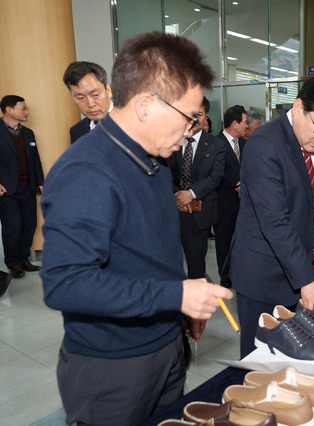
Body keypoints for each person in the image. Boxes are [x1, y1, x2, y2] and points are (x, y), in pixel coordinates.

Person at [40, 32, 233, 426]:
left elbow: (149, 249)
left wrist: (178, 303)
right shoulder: (87, 171)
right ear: (147, 105)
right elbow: (66, 284)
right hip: (113, 367)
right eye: (188, 117)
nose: (191, 129)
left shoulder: (156, 160)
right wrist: (174, 294)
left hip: (165, 345)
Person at [226, 74, 314, 357]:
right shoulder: (264, 144)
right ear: (298, 107)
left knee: (294, 358)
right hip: (264, 274)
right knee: (260, 360)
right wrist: (307, 278)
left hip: (300, 266)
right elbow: (275, 221)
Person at [166, 97, 225, 279]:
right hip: (171, 211)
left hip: (198, 215)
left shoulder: (216, 145)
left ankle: (195, 304)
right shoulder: (170, 139)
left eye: (198, 115)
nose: (192, 119)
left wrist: (190, 194)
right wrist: (178, 195)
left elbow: (215, 177)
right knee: (168, 265)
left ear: (205, 116)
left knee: (196, 266)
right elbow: (163, 170)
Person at [0, 95, 44, 280]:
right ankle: (14, 263)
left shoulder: (28, 133)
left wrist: (40, 182)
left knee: (29, 224)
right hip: (7, 189)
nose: (27, 112)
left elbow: (35, 160)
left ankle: (24, 259)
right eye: (23, 108)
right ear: (9, 109)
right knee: (13, 226)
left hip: (28, 187)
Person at [214, 104, 248, 287]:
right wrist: (236, 184)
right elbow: (215, 172)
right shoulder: (215, 143)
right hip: (224, 201)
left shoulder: (245, 143)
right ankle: (225, 275)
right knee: (224, 239)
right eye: (243, 122)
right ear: (234, 123)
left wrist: (246, 183)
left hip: (244, 203)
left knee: (241, 239)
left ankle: (239, 271)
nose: (246, 126)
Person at [63, 61, 113, 143]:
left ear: (108, 90)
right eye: (81, 98)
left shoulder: (136, 122)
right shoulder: (77, 131)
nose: (91, 104)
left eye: (95, 95)